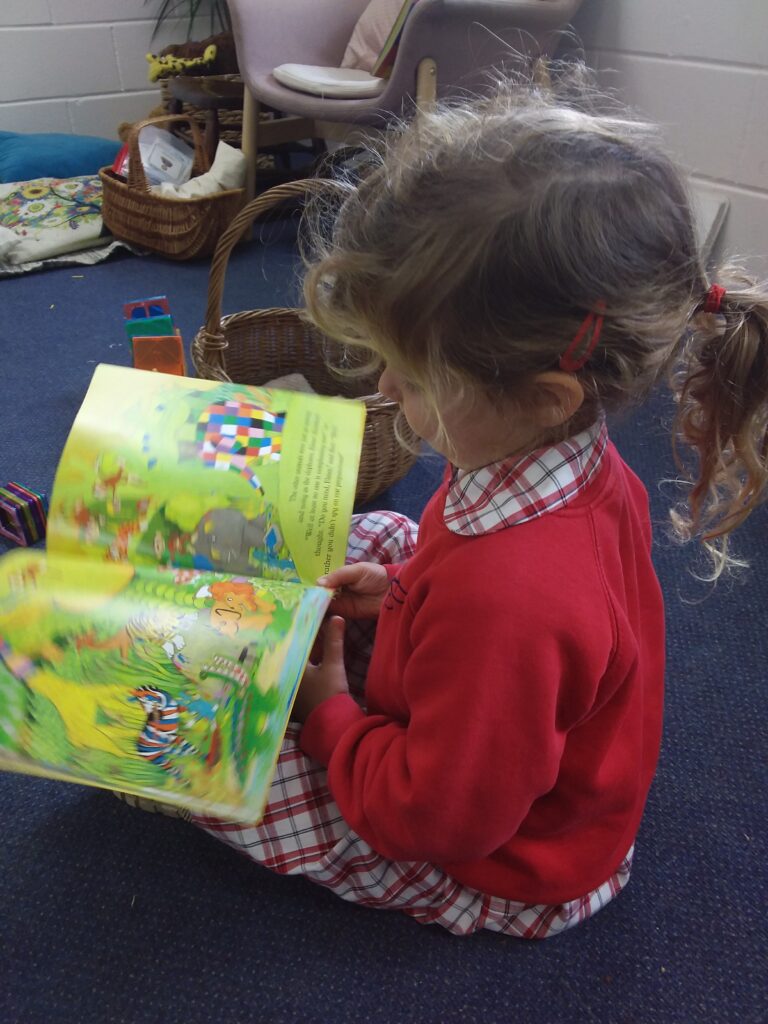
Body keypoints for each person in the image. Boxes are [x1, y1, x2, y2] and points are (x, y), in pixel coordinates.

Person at [190, 71, 768, 937]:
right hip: (501, 715)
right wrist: (405, 593)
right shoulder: (565, 459)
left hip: (509, 861)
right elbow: (548, 628)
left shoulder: (510, 598)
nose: (385, 386)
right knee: (387, 535)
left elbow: (441, 817)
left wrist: (328, 717)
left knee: (203, 752)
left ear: (543, 397)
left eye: (414, 378)